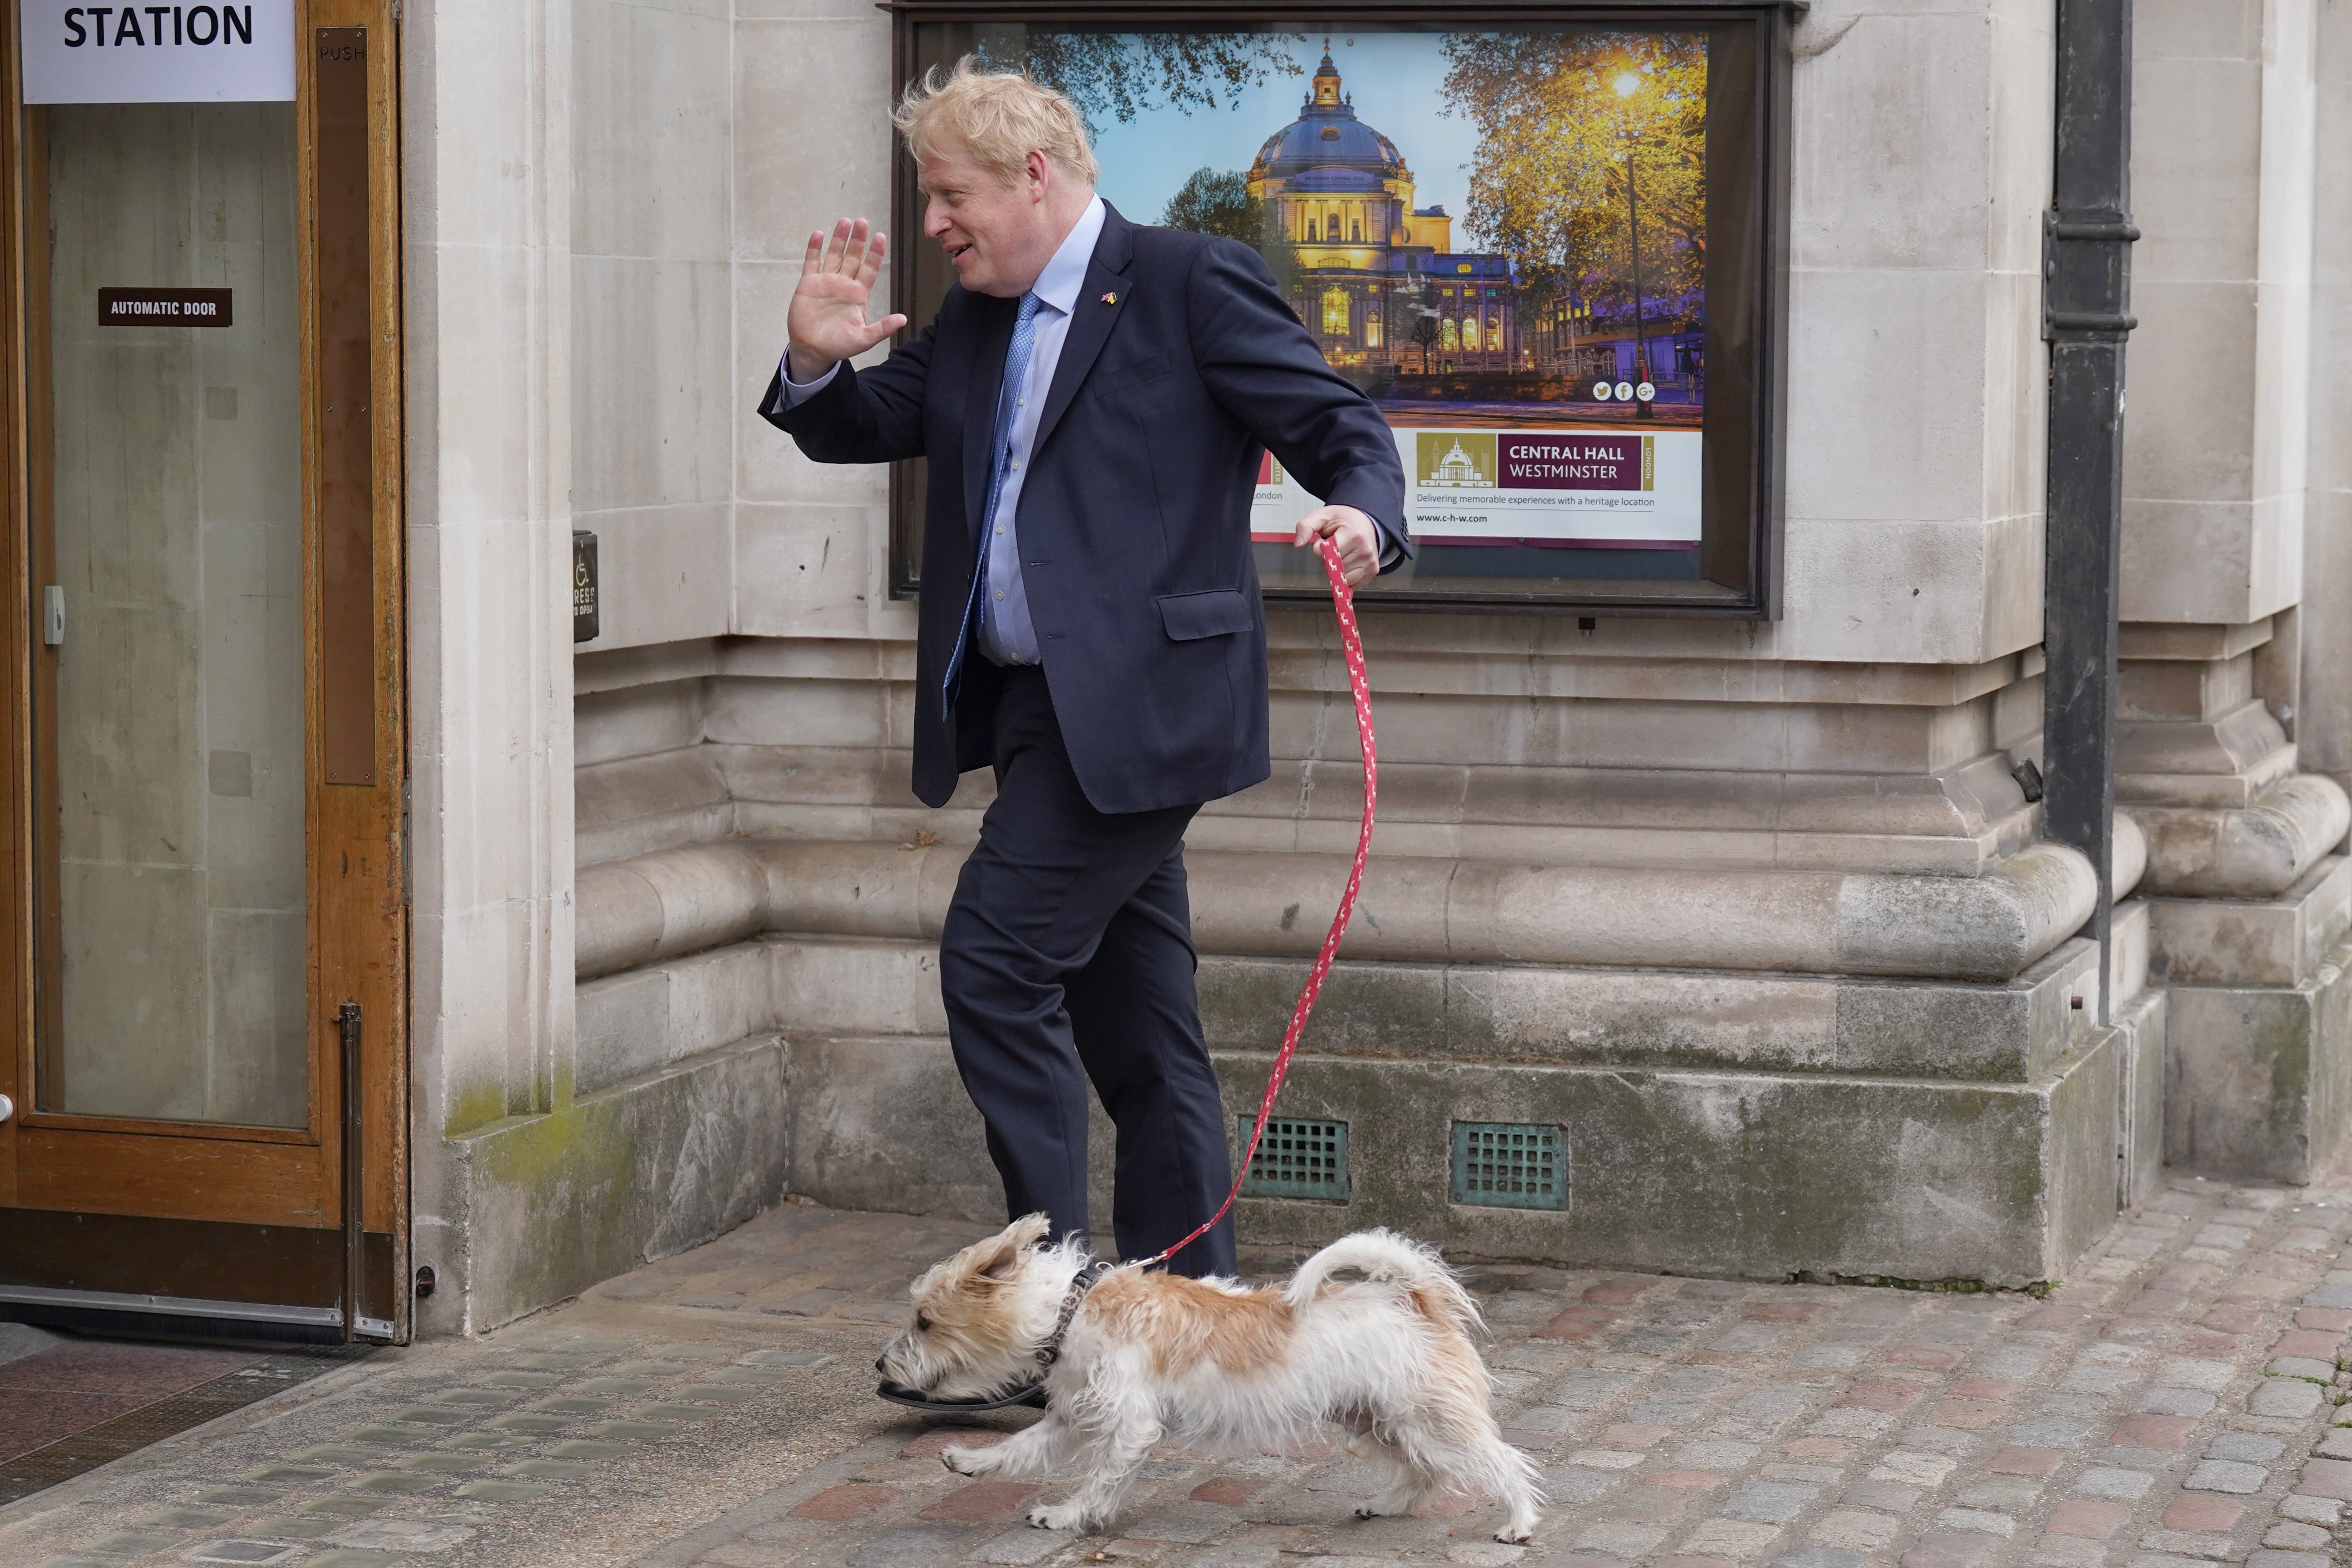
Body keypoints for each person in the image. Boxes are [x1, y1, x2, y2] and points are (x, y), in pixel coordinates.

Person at [759, 59, 1409, 1300]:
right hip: (1032, 718)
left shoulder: (1187, 282)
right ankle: (1192, 1312)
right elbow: (865, 420)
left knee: (995, 965)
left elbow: (1338, 427)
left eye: (950, 196)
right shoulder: (981, 318)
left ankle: (1047, 1311)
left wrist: (1363, 516)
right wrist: (815, 363)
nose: (934, 223)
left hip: (1146, 715)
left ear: (1034, 177)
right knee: (1143, 1038)